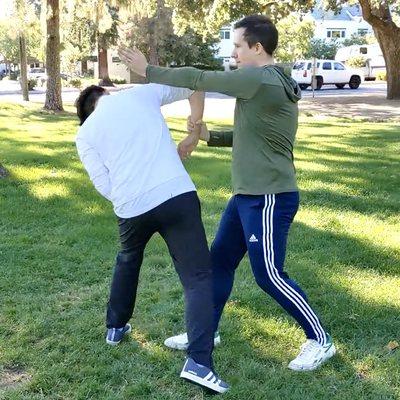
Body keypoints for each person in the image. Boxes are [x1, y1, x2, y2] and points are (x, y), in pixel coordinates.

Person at [118, 14, 336, 371]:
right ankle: (205, 332)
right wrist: (209, 136)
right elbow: (255, 136)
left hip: (269, 196)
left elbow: (200, 78)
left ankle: (320, 339)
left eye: (237, 46)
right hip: (247, 196)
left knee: (269, 274)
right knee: (218, 263)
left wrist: (149, 69)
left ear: (257, 47)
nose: (233, 52)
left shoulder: (260, 79)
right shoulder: (265, 82)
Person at [74, 83, 228, 393]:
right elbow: (192, 83)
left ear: (86, 113)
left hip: (131, 208)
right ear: (105, 92)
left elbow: (102, 182)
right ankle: (198, 362)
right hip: (175, 194)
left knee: (128, 260)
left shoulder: (85, 133)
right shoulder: (138, 93)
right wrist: (194, 129)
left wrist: (126, 198)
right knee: (197, 278)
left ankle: (115, 328)